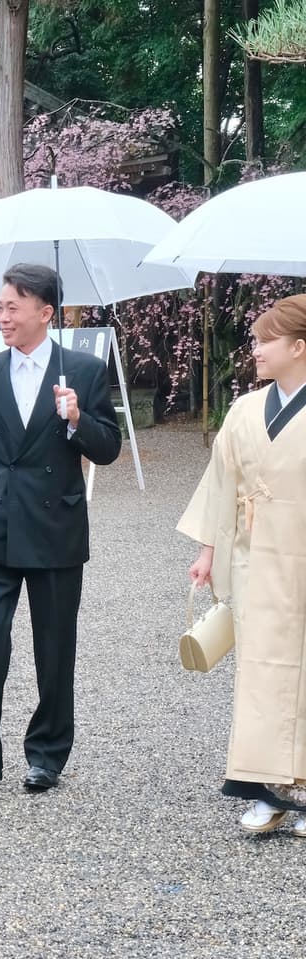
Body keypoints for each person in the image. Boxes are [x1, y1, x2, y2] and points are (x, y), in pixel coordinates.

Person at [0, 264, 121, 793]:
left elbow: (108, 448)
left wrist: (77, 419)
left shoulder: (83, 372)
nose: (1, 317)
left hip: (54, 526)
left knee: (54, 645)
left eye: (12, 307)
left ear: (46, 313)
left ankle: (46, 754)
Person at [179, 294, 306, 837]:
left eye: (264, 341)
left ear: (299, 347)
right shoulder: (243, 410)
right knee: (259, 672)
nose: (253, 350)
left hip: (301, 556)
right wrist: (208, 550)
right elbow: (221, 484)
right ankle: (266, 788)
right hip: (254, 559)